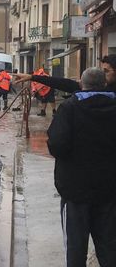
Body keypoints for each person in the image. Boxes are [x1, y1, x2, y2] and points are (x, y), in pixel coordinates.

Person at [47, 67, 116, 266]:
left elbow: (57, 145)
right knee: (109, 245)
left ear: (82, 84)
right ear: (104, 84)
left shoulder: (70, 108)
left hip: (75, 190)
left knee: (76, 248)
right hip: (108, 189)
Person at [13, 54, 116, 94]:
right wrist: (32, 77)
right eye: (102, 71)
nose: (102, 74)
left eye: (106, 71)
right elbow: (64, 83)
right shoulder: (98, 87)